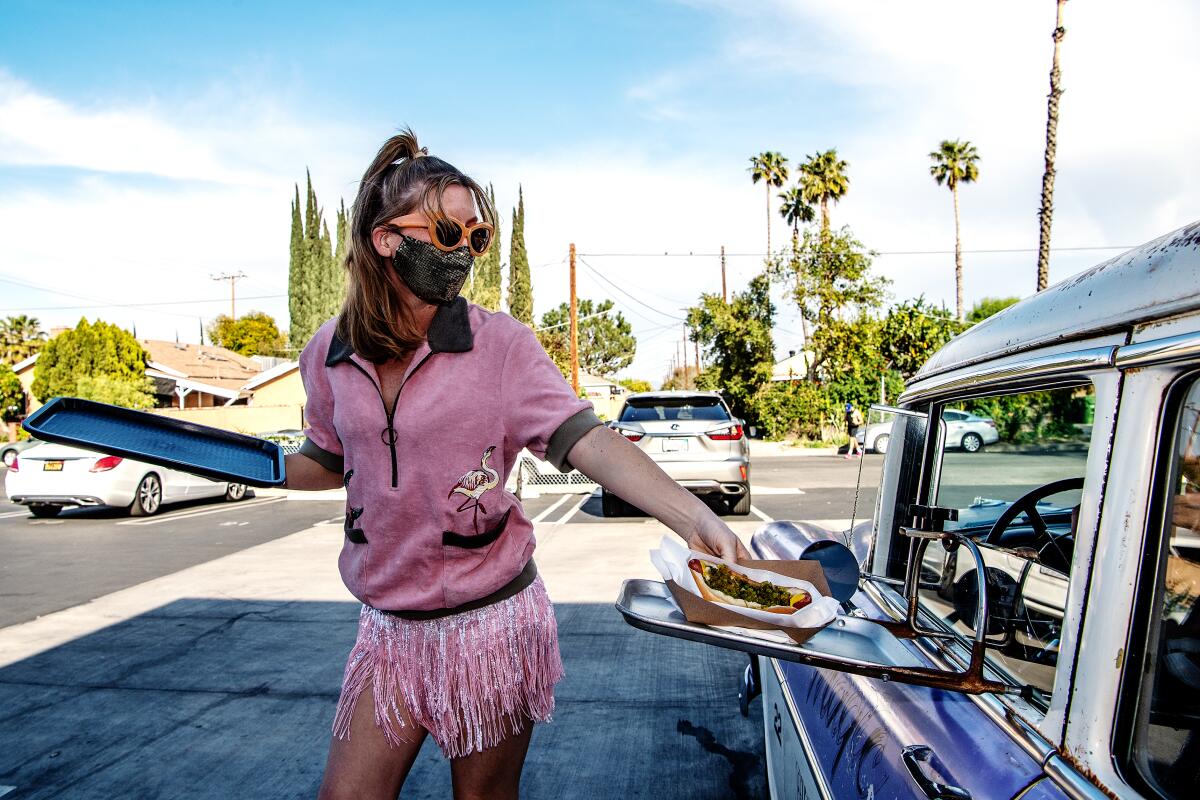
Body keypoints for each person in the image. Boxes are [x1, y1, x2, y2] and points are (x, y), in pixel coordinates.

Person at [282, 128, 750, 800]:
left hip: (490, 625)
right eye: (449, 233)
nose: (466, 253)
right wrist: (247, 465)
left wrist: (693, 517)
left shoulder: (498, 346)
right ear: (386, 238)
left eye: (478, 237)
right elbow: (324, 463)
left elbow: (587, 439)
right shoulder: (327, 352)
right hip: (387, 631)